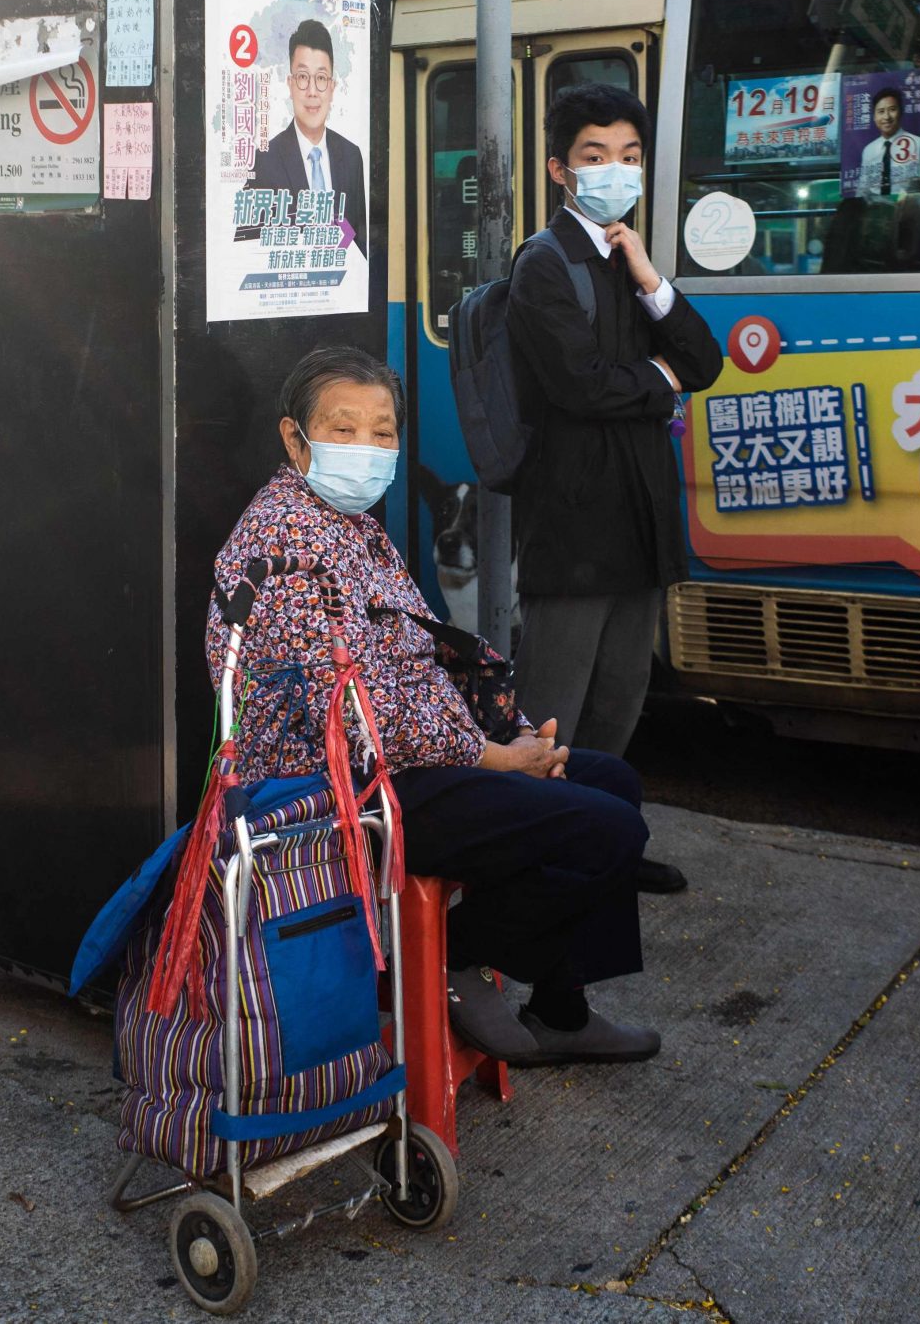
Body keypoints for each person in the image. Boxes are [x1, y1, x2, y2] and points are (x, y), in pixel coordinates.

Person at [208, 345, 660, 1065]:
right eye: (342, 428)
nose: (366, 448)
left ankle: (561, 1009)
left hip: (411, 763)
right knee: (603, 828)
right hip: (345, 791)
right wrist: (497, 758)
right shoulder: (286, 539)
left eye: (382, 432)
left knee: (611, 783)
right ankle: (457, 957)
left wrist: (510, 729)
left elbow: (427, 654)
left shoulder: (350, 525)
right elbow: (353, 714)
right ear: (294, 439)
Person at [506, 81, 724, 893]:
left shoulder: (627, 259)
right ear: (562, 169)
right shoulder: (544, 263)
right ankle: (530, 859)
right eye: (596, 157)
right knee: (553, 705)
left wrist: (647, 274)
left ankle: (599, 844)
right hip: (573, 522)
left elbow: (703, 361)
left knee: (621, 699)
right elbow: (580, 386)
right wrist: (659, 380)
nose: (615, 171)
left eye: (630, 157)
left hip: (639, 517)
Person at [247, 17, 366, 260]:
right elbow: (250, 251)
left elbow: (360, 244)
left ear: (332, 87)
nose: (312, 91)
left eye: (321, 78)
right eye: (302, 77)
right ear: (290, 84)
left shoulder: (351, 156)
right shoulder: (265, 160)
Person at [851, 84, 920, 198]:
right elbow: (862, 191)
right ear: (874, 117)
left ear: (901, 112)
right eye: (881, 111)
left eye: (892, 110)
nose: (887, 117)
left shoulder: (918, 144)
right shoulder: (869, 150)